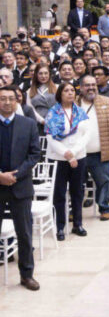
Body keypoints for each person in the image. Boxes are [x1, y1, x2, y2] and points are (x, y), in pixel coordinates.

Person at [0, 85, 41, 290]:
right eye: (2, 98)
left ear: (17, 101)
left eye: (11, 98)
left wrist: (15, 175)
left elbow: (34, 154)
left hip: (21, 185)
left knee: (24, 233)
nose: (7, 102)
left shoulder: (28, 124)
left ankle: (27, 275)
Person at [44, 82, 90, 240]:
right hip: (58, 158)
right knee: (59, 194)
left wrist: (74, 153)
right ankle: (59, 227)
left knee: (77, 192)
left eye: (72, 90)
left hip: (79, 157)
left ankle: (78, 224)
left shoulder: (80, 112)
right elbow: (51, 138)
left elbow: (86, 135)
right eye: (66, 90)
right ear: (60, 94)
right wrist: (66, 154)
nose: (70, 93)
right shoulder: (52, 113)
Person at [77, 74, 109, 221]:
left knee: (103, 181)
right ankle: (75, 210)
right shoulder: (74, 103)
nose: (91, 88)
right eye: (87, 85)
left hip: (100, 152)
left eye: (93, 85)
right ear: (81, 88)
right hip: (78, 153)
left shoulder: (106, 102)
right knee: (76, 184)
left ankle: (104, 208)